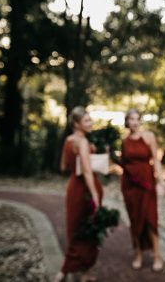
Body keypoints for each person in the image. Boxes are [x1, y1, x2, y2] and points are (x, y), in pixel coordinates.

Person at [55, 106, 103, 282]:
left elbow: (62, 167)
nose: (91, 123)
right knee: (87, 230)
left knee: (76, 229)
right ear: (76, 123)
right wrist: (95, 196)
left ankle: (82, 272)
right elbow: (88, 172)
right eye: (87, 121)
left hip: (73, 187)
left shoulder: (69, 140)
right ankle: (67, 270)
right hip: (85, 190)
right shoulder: (82, 142)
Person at [119, 109, 165, 271]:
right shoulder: (124, 142)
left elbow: (156, 161)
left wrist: (160, 180)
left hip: (147, 183)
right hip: (129, 185)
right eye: (131, 119)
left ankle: (156, 255)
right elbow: (123, 164)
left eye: (136, 119)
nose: (134, 122)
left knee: (150, 219)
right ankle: (138, 253)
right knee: (135, 219)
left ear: (140, 121)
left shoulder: (149, 137)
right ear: (127, 121)